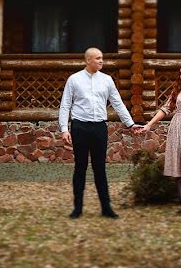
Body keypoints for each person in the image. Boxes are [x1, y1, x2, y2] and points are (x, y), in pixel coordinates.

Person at [59, 47, 140, 219]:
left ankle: (106, 208)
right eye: (97, 58)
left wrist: (130, 123)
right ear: (88, 60)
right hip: (80, 127)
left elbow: (117, 103)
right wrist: (64, 129)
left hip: (99, 128)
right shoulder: (74, 80)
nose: (101, 61)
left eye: (102, 58)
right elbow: (65, 105)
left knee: (100, 168)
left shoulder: (107, 80)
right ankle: (77, 208)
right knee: (80, 167)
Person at [136, 63, 181, 218]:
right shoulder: (178, 91)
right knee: (179, 164)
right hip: (176, 128)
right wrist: (149, 124)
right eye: (180, 72)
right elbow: (165, 109)